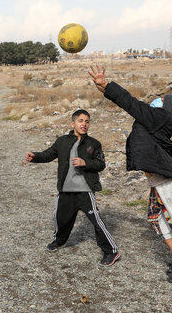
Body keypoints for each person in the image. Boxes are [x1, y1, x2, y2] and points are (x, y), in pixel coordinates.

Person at [88, 66, 172, 294]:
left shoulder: (158, 118)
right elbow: (135, 105)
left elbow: (130, 103)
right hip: (156, 180)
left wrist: (108, 85)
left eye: (161, 99)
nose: (157, 100)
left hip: (164, 180)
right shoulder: (157, 119)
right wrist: (103, 89)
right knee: (156, 218)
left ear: (167, 109)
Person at [25, 109, 120, 266]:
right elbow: (48, 155)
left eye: (87, 121)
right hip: (66, 189)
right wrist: (35, 156)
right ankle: (59, 241)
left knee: (97, 221)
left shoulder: (94, 144)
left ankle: (111, 251)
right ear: (73, 123)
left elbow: (101, 164)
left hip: (84, 190)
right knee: (61, 219)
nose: (84, 124)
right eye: (81, 121)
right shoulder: (62, 141)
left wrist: (85, 163)